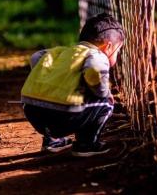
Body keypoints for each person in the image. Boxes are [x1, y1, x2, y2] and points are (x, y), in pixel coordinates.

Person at [21, 13, 125, 157]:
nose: (117, 55)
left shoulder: (60, 52)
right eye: (118, 51)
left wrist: (49, 79)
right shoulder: (97, 55)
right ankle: (86, 144)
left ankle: (53, 141)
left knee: (65, 96)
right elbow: (95, 67)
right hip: (65, 115)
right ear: (108, 47)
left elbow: (36, 57)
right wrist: (104, 93)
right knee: (105, 102)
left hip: (32, 110)